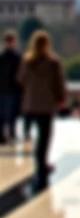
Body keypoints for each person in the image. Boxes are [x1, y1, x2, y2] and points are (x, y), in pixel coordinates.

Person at [17, 31, 67, 188]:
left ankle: (39, 164)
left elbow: (20, 79)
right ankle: (42, 164)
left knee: (35, 135)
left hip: (31, 104)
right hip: (46, 105)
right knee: (45, 137)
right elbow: (58, 84)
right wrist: (60, 99)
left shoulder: (27, 62)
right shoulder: (53, 63)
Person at [0, 30, 22, 144]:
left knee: (11, 115)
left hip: (12, 90)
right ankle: (4, 136)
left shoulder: (16, 57)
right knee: (3, 115)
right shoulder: (6, 56)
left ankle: (11, 134)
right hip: (5, 89)